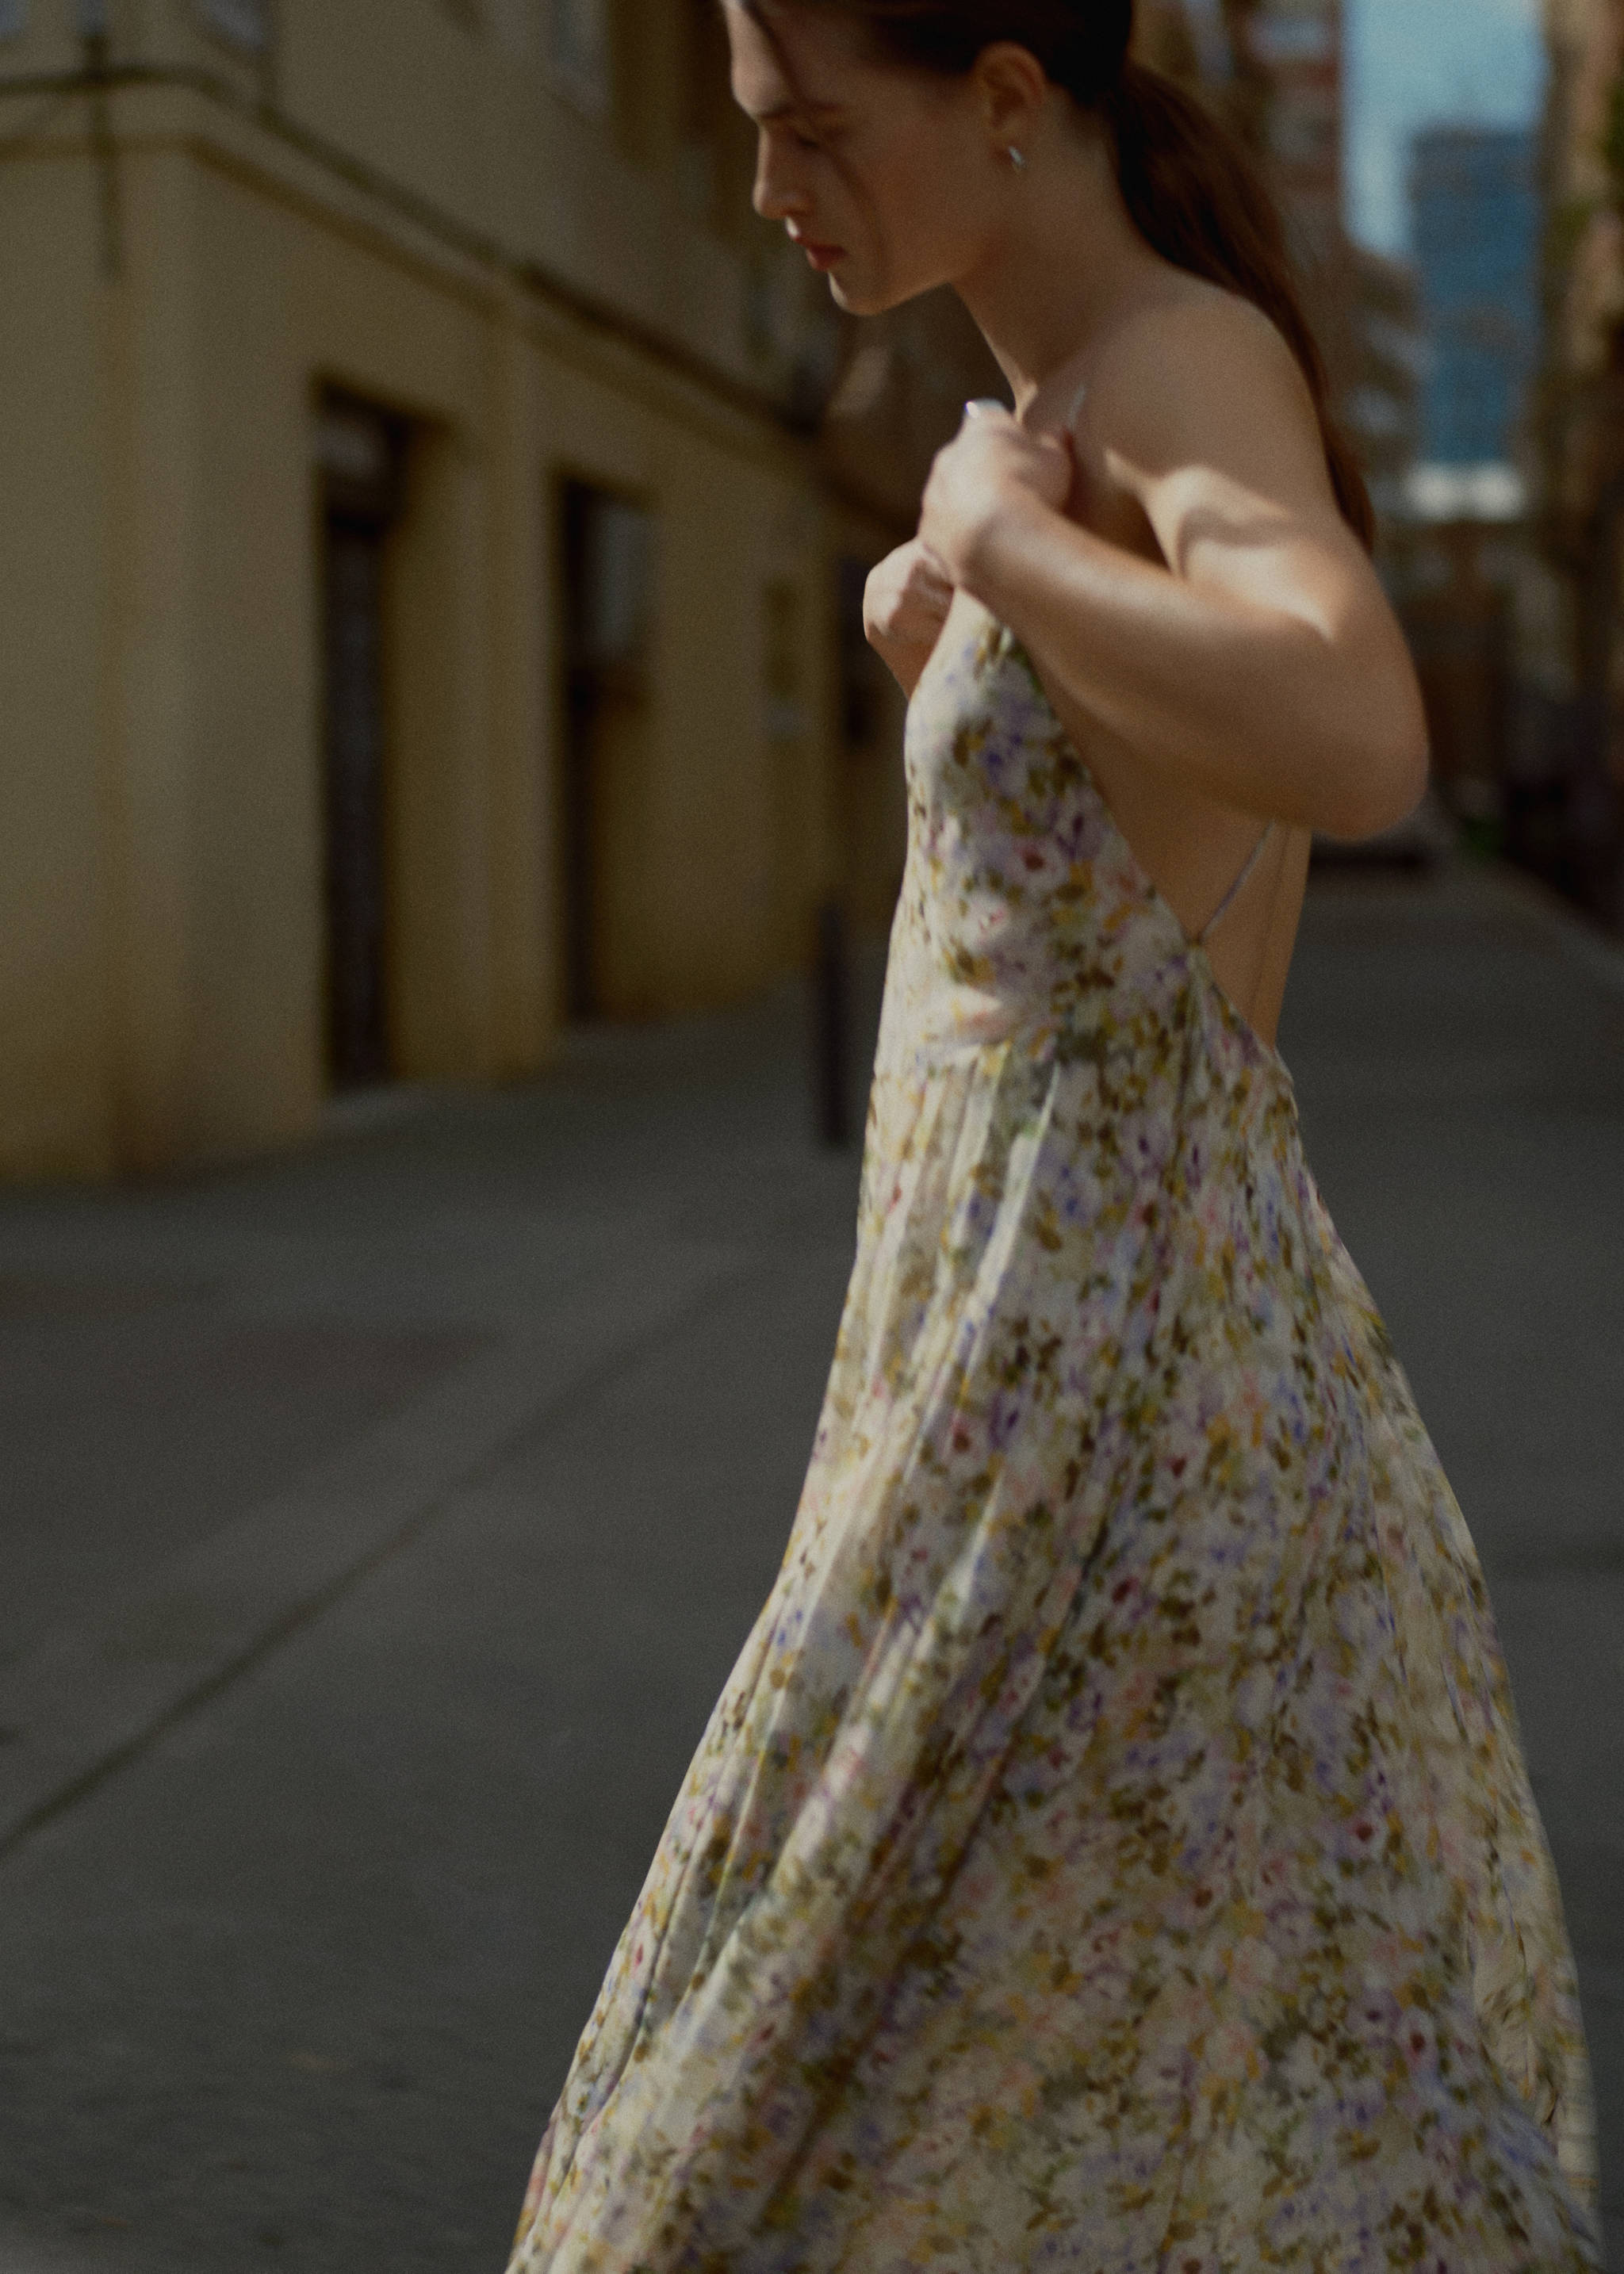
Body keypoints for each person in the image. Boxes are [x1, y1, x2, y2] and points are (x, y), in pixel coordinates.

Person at [508, 5, 1601, 2267]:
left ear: (1008, 97)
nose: (767, 186)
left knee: (754, 2137)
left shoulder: (1170, 374)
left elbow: (1357, 722)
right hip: (1015, 1421)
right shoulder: (1044, 421)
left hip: (1113, 1455)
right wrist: (964, 619)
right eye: (753, 132)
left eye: (812, 128)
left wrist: (1006, 558)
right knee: (1068, 2143)